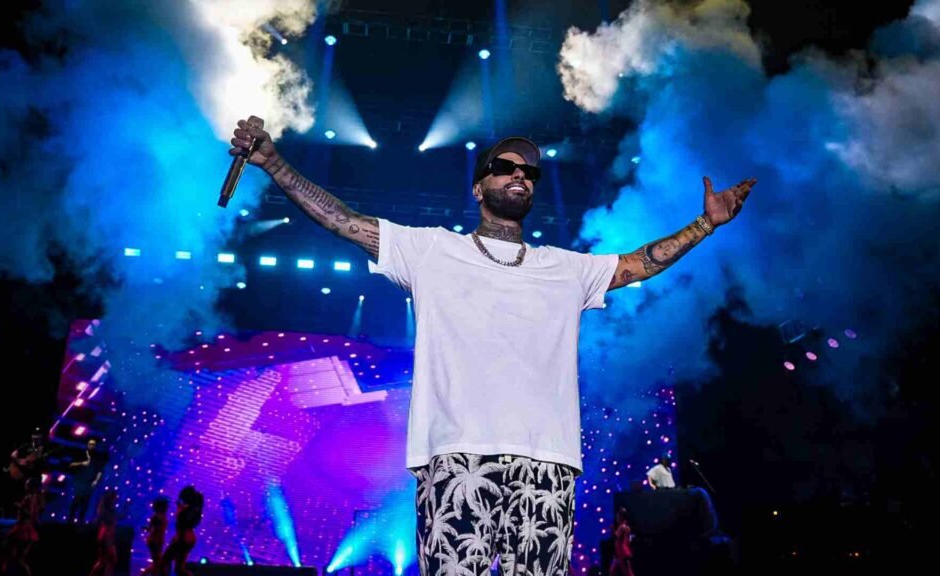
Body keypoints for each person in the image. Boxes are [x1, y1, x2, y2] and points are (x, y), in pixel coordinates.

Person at [229, 115, 755, 575]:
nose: (520, 175)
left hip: (545, 464)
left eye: (529, 172)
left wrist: (705, 224)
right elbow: (345, 222)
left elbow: (640, 263)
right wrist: (274, 164)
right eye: (505, 167)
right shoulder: (432, 250)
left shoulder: (567, 268)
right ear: (479, 189)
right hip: (457, 460)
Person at [0, 475, 46, 576]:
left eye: (27, 484)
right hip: (28, 529)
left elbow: (29, 513)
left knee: (5, 554)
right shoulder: (37, 498)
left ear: (32, 487)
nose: (25, 486)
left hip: (22, 529)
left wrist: (19, 506)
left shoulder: (29, 498)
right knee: (19, 559)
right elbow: (35, 516)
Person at [159, 485, 204, 576]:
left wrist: (181, 510)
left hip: (183, 537)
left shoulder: (189, 510)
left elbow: (183, 523)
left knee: (165, 562)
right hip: (187, 537)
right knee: (178, 568)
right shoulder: (194, 509)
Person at [68, 438, 106, 523]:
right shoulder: (81, 454)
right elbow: (71, 465)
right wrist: (82, 463)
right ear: (87, 445)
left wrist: (96, 481)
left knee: (85, 504)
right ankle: (70, 521)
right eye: (90, 444)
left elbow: (100, 470)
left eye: (93, 444)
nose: (92, 446)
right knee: (76, 502)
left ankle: (80, 522)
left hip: (89, 483)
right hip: (79, 482)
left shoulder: (97, 457)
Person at [89, 491, 119, 576]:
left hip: (106, 536)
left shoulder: (106, 510)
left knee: (103, 561)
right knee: (110, 560)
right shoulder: (108, 511)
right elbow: (107, 522)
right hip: (106, 536)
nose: (117, 499)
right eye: (115, 498)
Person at [139, 495, 170, 575]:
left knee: (157, 564)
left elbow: (151, 529)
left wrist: (146, 528)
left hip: (157, 541)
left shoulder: (161, 516)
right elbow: (153, 529)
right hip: (154, 541)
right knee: (157, 563)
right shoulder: (157, 517)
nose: (167, 508)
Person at [609, 507, 635, 576]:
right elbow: (628, 540)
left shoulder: (622, 527)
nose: (617, 517)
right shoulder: (627, 527)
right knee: (613, 571)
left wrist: (612, 530)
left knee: (627, 572)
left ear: (621, 517)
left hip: (622, 553)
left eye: (618, 516)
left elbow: (616, 537)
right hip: (620, 553)